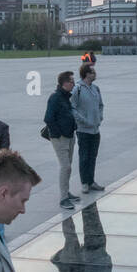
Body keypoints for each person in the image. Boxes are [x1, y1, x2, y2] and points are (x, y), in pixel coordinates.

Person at [45, 70, 80, 210]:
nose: (73, 83)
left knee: (68, 166)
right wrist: (58, 134)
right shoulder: (55, 97)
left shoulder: (65, 97)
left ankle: (66, 192)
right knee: (66, 167)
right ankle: (63, 198)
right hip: (61, 138)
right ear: (64, 83)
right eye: (72, 81)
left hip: (70, 136)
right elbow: (48, 118)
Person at [72, 62, 105, 193]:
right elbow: (72, 108)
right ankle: (84, 183)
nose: (95, 74)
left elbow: (101, 105)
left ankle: (91, 181)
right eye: (93, 72)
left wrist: (100, 118)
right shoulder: (77, 89)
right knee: (84, 157)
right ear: (87, 74)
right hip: (83, 130)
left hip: (95, 130)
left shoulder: (96, 88)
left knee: (93, 157)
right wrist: (83, 121)